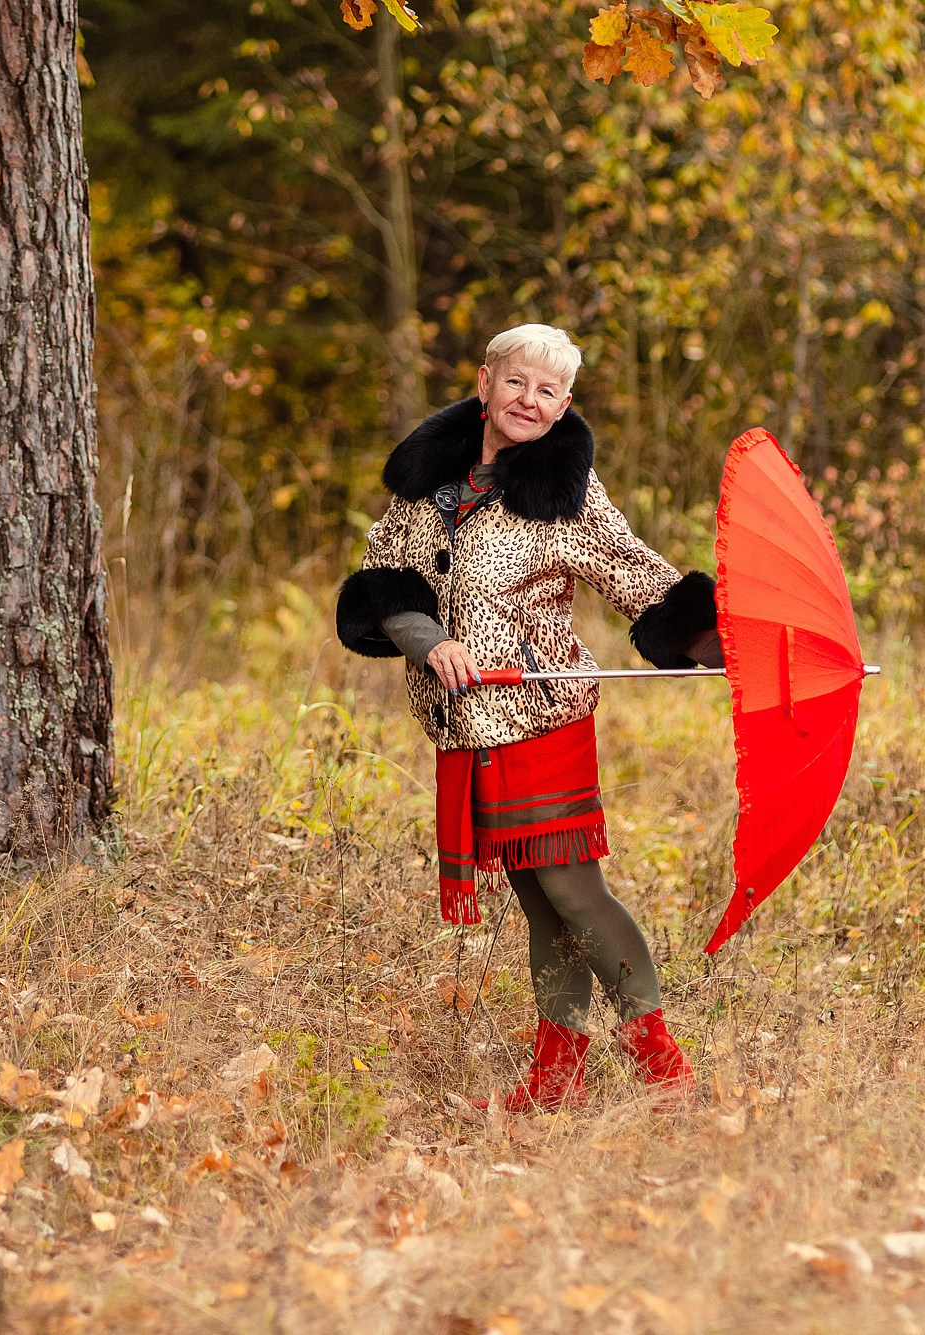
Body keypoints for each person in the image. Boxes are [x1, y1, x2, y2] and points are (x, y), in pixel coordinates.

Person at [336, 324, 723, 1111]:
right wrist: (431, 642)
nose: (529, 400)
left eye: (548, 390)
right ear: (485, 383)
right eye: (516, 381)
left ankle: (663, 1066)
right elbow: (382, 579)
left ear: (565, 404)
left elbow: (635, 571)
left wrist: (716, 638)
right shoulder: (423, 485)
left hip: (543, 717)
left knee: (574, 892)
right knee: (539, 904)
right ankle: (557, 1075)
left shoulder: (565, 492)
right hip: (468, 726)